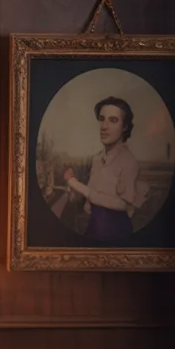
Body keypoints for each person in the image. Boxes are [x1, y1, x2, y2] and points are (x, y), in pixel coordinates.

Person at [63, 97, 147, 242]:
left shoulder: (128, 162)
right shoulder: (97, 159)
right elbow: (91, 198)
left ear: (125, 126)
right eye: (102, 119)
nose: (104, 126)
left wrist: (77, 185)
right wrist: (73, 185)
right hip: (94, 226)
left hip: (116, 230)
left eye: (113, 120)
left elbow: (124, 205)